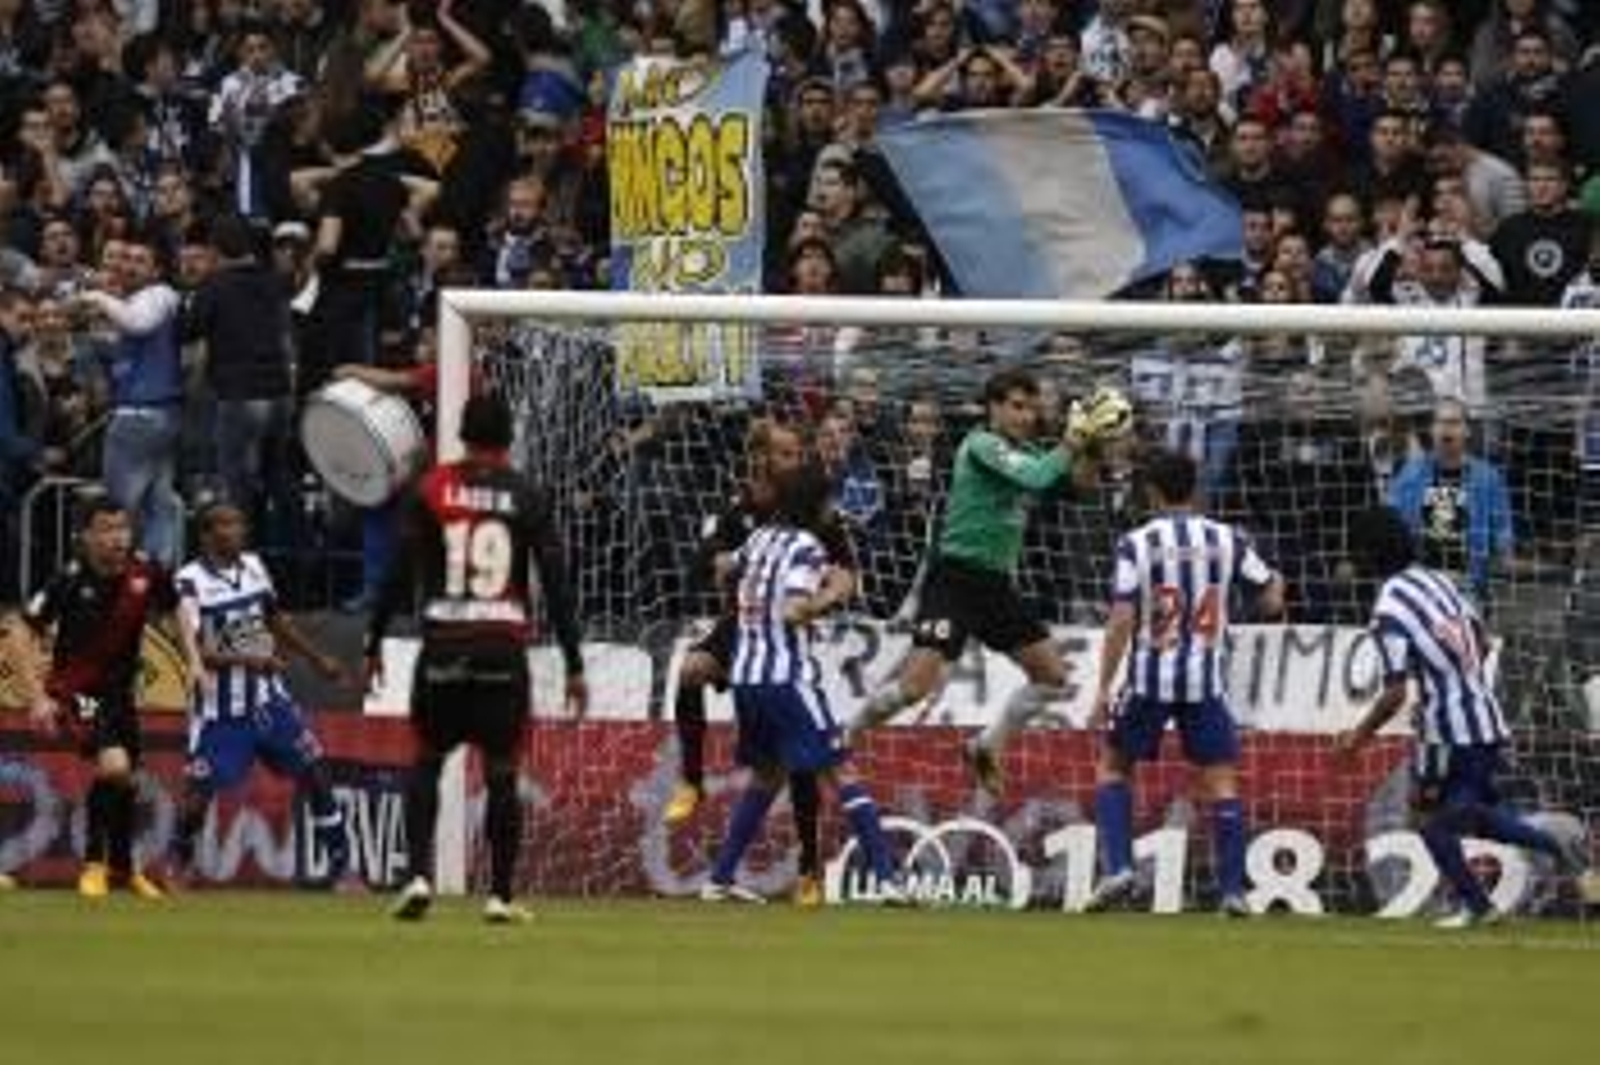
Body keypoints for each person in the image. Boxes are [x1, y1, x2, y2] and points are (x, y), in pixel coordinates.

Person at [847, 371, 1131, 792]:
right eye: (1016, 406)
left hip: (996, 585)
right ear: (993, 407)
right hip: (955, 579)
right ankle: (846, 734)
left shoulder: (1032, 451)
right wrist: (1071, 440)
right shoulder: (981, 446)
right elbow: (1035, 477)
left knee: (1052, 676)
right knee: (913, 689)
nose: (1025, 416)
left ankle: (986, 746)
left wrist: (1091, 446)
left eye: (1031, 409)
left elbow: (1080, 485)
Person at [367, 393, 586, 924]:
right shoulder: (527, 494)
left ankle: (418, 876)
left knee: (426, 760)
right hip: (501, 647)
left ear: (462, 434)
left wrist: (373, 640)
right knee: (502, 770)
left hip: (444, 640)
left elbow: (397, 570)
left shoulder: (433, 488)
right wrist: (574, 662)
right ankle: (500, 896)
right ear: (509, 438)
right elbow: (555, 583)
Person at [1334, 506, 1594, 928]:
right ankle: (1543, 859)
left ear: (1366, 555)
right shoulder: (1441, 581)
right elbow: (1482, 642)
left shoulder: (1389, 606)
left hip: (1446, 733)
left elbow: (1394, 692)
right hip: (1486, 719)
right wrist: (1452, 678)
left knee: (1432, 822)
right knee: (1468, 814)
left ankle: (1490, 901)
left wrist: (1358, 738)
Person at [1081, 450, 1286, 917]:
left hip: (1148, 678)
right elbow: (1271, 599)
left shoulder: (1136, 542)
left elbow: (1121, 618)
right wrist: (1272, 585)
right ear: (1195, 489)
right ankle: (1233, 892)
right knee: (1221, 782)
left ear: (1151, 492)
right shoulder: (1228, 538)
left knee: (1114, 766)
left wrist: (1102, 687)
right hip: (1203, 681)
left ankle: (1119, 869)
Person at [663, 420, 856, 908]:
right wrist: (724, 564)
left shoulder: (815, 513)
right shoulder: (739, 510)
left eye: (797, 453)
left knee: (798, 761)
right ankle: (691, 779)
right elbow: (701, 565)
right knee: (689, 671)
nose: (796, 461)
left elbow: (849, 570)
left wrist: (825, 592)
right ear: (760, 459)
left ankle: (810, 870)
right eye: (787, 454)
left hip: (785, 635)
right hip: (742, 627)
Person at [700, 461, 902, 905]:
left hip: (746, 677)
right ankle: (888, 880)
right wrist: (836, 590)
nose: (835, 510)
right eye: (830, 501)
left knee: (767, 776)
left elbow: (722, 565)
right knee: (842, 770)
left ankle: (719, 878)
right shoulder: (808, 546)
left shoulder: (759, 537)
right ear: (815, 504)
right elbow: (794, 611)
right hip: (787, 678)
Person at [170, 502, 350, 884]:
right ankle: (179, 860)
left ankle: (340, 866)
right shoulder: (188, 582)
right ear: (206, 535)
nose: (236, 530)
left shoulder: (254, 566)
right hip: (222, 712)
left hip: (269, 702)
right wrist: (248, 659)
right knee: (198, 797)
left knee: (316, 772)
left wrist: (317, 659)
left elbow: (274, 620)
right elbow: (193, 650)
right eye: (225, 524)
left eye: (238, 522)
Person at [23, 497, 192, 899]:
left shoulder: (146, 571)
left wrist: (194, 660)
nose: (117, 538)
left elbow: (176, 608)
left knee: (128, 782)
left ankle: (124, 870)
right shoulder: (69, 578)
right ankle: (94, 865)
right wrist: (36, 697)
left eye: (122, 529)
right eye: (106, 530)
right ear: (86, 536)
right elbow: (21, 629)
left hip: (121, 697)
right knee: (115, 768)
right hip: (76, 694)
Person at [1387, 398, 1514, 608]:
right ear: (1431, 430)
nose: (1446, 428)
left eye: (1454, 422)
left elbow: (1503, 531)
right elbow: (1390, 523)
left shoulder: (1487, 477)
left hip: (1468, 585)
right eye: (1440, 422)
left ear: (1467, 431)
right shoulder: (1410, 474)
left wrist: (1504, 560)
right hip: (1419, 582)